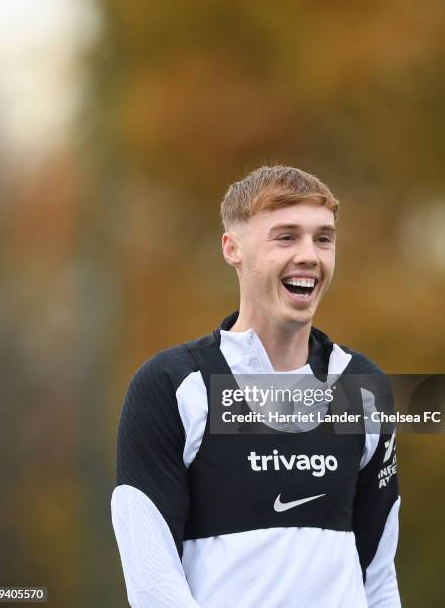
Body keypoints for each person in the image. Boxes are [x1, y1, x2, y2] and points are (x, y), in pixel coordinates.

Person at [111, 165, 401, 607]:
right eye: (286, 237)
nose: (310, 254)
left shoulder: (362, 387)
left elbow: (379, 577)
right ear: (233, 249)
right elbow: (152, 584)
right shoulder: (172, 385)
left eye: (323, 238)